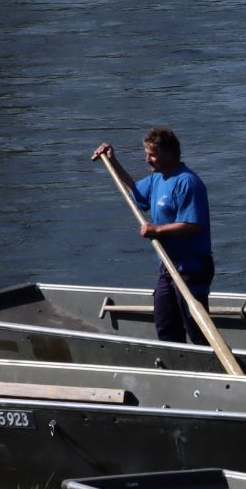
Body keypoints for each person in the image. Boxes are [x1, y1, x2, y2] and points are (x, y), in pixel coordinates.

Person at [91, 128, 214, 344]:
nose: (148, 159)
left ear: (170, 154)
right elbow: (137, 194)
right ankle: (176, 370)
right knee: (165, 324)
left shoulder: (187, 183)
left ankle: (211, 371)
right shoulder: (158, 178)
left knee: (196, 330)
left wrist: (156, 230)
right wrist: (113, 162)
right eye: (147, 154)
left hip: (191, 269)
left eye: (153, 154)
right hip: (167, 267)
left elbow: (193, 225)